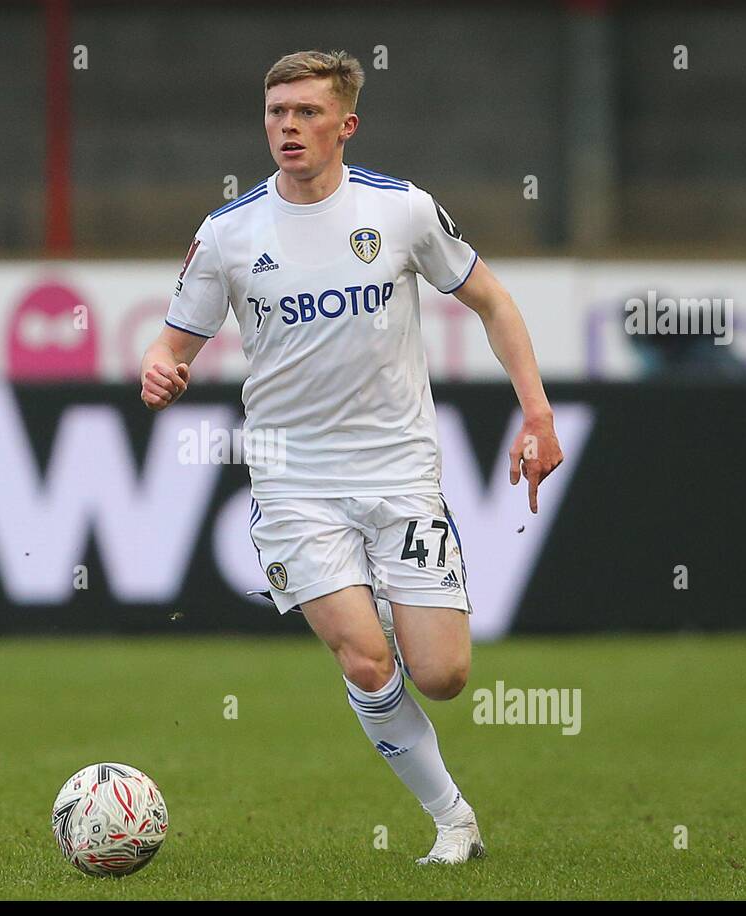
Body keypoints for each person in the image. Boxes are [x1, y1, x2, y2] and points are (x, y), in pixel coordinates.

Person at [140, 50, 563, 865]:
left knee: (441, 674)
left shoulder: (400, 212)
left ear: (346, 125)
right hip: (292, 478)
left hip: (400, 472)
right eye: (275, 113)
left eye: (305, 112)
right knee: (367, 659)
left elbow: (491, 300)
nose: (288, 127)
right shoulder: (228, 234)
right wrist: (161, 368)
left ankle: (411, 645)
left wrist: (536, 413)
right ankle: (453, 821)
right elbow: (170, 342)